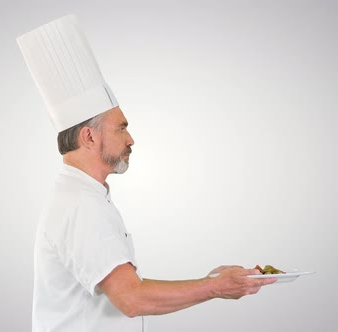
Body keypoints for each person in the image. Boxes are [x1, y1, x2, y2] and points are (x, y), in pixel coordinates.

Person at [17, 14, 277, 332]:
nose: (131, 139)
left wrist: (213, 283)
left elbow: (130, 295)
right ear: (89, 137)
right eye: (122, 128)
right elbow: (132, 299)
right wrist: (216, 287)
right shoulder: (81, 206)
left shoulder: (84, 197)